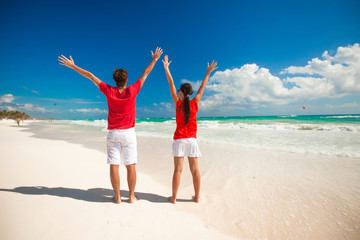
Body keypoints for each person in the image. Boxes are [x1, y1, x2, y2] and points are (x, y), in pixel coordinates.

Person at [58, 47, 163, 204]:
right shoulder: (133, 90)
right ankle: (132, 196)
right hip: (129, 134)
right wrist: (154, 59)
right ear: (127, 80)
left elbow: (91, 76)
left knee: (114, 164)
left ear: (114, 80)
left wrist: (73, 66)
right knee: (130, 165)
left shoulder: (109, 91)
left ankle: (118, 197)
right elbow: (145, 74)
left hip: (113, 133)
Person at [162, 55, 218, 203]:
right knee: (195, 171)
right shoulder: (195, 102)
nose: (178, 92)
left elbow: (170, 83)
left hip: (179, 140)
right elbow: (202, 87)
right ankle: (197, 197)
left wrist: (167, 68)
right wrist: (208, 72)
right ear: (191, 93)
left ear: (181, 92)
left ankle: (173, 198)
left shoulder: (177, 103)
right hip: (192, 141)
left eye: (179, 91)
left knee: (178, 171)